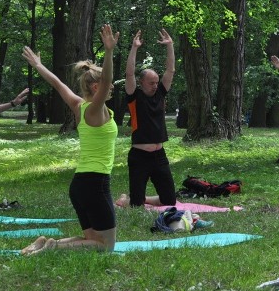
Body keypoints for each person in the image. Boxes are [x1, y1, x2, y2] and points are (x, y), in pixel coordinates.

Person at [20, 24, 120, 254]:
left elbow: (57, 83)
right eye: (105, 85)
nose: (111, 87)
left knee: (91, 238)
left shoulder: (79, 106)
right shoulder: (96, 110)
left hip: (81, 184)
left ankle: (46, 243)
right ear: (96, 87)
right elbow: (106, 81)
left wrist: (38, 65)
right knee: (106, 247)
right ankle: (53, 247)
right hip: (95, 183)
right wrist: (109, 52)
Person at [115, 29, 177, 208]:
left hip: (159, 155)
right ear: (141, 83)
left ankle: (145, 199)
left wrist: (170, 45)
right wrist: (134, 48)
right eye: (151, 83)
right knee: (136, 205)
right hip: (139, 156)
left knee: (169, 200)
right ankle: (132, 199)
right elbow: (129, 74)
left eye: (157, 82)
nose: (155, 85)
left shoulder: (160, 94)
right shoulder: (134, 96)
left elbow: (170, 70)